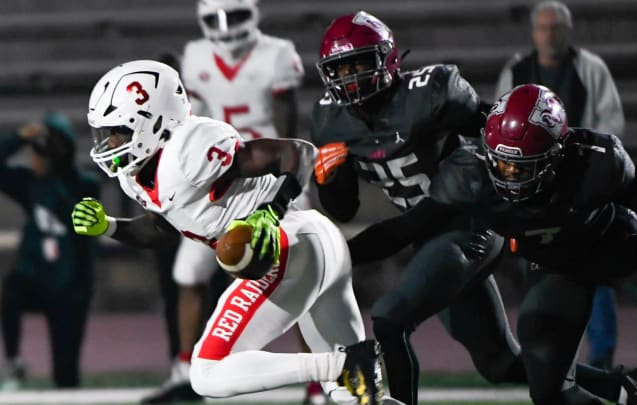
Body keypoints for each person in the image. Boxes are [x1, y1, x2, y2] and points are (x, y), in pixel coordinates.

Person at [311, 11, 637, 405]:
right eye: (340, 68)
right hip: (427, 235)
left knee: (391, 320)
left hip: (470, 222)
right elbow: (343, 208)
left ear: (389, 58)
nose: (351, 77)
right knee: (499, 363)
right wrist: (332, 180)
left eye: (359, 63)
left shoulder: (432, 92)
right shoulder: (329, 119)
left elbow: (502, 133)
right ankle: (628, 389)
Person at [71, 59, 386, 405]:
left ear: (155, 123)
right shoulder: (139, 176)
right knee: (355, 398)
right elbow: (161, 229)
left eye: (119, 131)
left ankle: (341, 362)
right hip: (312, 244)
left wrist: (270, 211)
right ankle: (347, 367)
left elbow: (297, 151)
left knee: (207, 372)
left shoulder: (188, 149)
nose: (109, 142)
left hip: (287, 244)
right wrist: (109, 226)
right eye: (105, 133)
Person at [410, 83, 637, 404]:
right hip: (557, 266)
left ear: (556, 153)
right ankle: (636, 392)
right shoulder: (472, 176)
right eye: (501, 162)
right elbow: (407, 227)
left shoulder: (596, 162)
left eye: (522, 165)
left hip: (617, 248)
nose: (510, 175)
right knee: (547, 391)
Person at [142, 0, 308, 402]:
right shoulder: (196, 56)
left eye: (233, 15)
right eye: (215, 18)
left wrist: (290, 186)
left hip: (269, 175)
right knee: (187, 276)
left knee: (300, 275)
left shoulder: (277, 53)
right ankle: (185, 372)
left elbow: (287, 127)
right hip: (218, 180)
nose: (224, 26)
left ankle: (319, 380)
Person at [495, 0, 625, 369]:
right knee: (539, 271)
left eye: (556, 28)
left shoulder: (590, 68)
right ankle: (548, 357)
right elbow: (499, 123)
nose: (550, 35)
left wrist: (589, 170)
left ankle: (599, 356)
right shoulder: (517, 70)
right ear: (534, 32)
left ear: (567, 31)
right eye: (544, 28)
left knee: (595, 272)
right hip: (532, 191)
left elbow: (611, 125)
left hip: (583, 188)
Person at [0, 113, 99, 390]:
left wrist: (57, 161)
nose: (34, 158)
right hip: (34, 275)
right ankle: (14, 361)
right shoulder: (30, 184)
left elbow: (86, 235)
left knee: (65, 375)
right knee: (11, 293)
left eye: (42, 151)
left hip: (69, 286)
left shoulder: (83, 185)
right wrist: (19, 138)